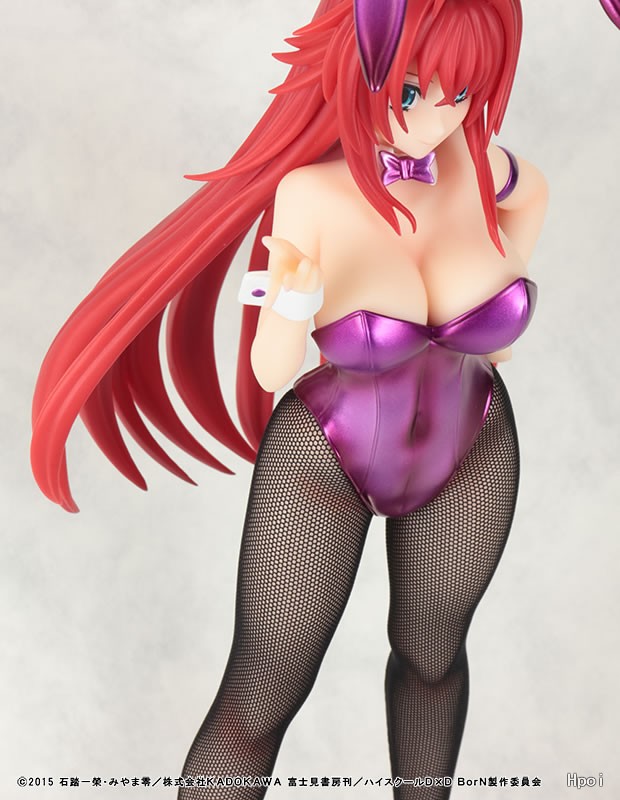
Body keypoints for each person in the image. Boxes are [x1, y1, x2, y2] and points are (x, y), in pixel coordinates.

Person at [30, 0, 547, 797]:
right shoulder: (313, 194)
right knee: (261, 696)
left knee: (434, 661)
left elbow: (505, 317)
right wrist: (295, 302)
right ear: (360, 69)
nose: (435, 121)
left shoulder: (489, 173)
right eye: (412, 91)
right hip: (327, 458)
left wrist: (494, 284)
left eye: (462, 95)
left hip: (472, 444)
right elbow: (274, 367)